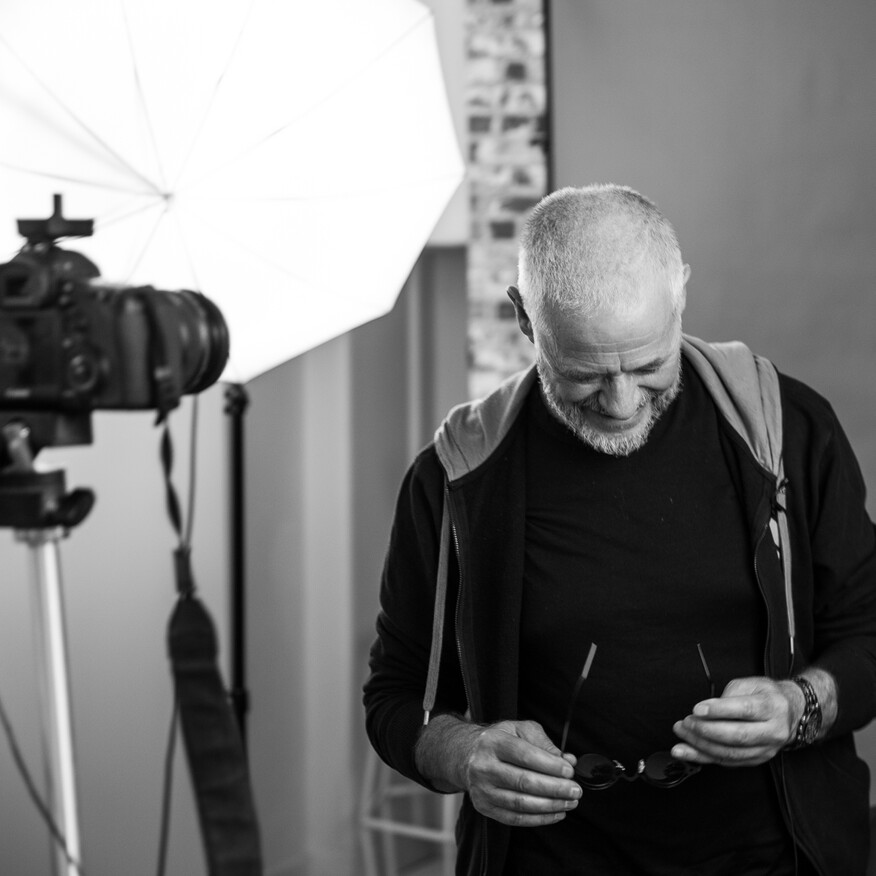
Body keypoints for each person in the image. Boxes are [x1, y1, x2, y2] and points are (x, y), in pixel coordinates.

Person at [363, 184, 876, 875]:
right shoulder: (457, 476)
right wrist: (464, 753)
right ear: (524, 318)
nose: (622, 403)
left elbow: (869, 631)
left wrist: (799, 704)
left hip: (778, 856)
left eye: (647, 365)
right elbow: (396, 697)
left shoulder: (786, 429)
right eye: (583, 374)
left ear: (681, 294)